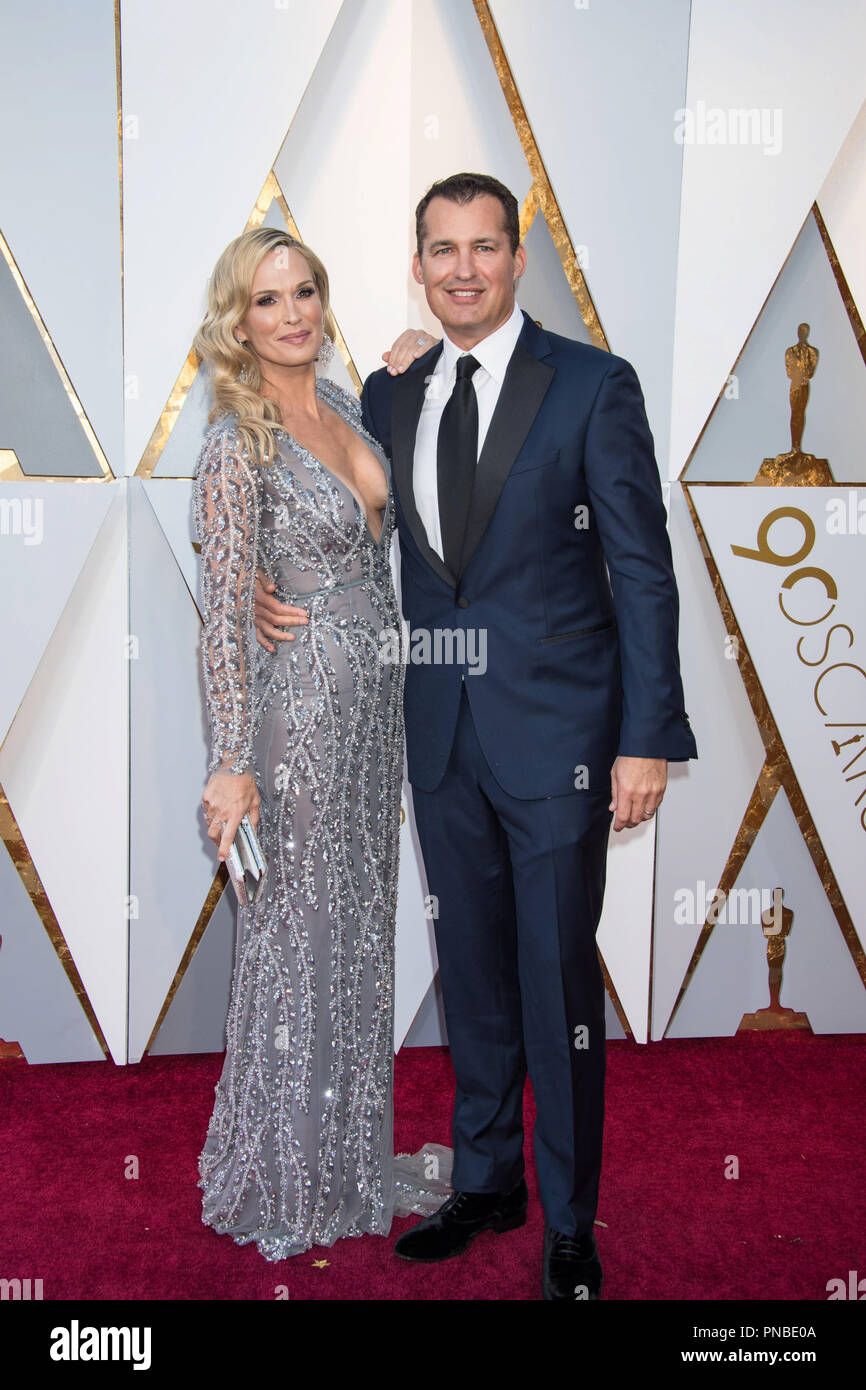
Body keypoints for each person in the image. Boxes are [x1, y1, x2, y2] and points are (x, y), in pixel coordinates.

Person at [252, 172, 697, 1298]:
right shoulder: (392, 391)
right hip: (438, 726)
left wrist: (646, 736)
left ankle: (567, 1222)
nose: (461, 268)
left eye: (483, 248)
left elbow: (641, 570)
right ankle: (488, 1179)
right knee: (476, 981)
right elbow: (337, 514)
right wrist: (265, 580)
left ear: (516, 259)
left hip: (563, 740)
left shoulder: (593, 386)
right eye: (440, 249)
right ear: (416, 263)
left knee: (556, 987)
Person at [193, 226, 441, 1261]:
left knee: (353, 934)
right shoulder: (231, 446)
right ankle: (288, 1170)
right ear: (235, 323)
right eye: (266, 300)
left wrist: (420, 359)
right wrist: (230, 762)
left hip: (372, 713)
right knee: (297, 941)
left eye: (305, 291)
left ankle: (345, 1156)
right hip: (296, 725)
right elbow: (220, 616)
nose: (292, 313)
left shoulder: (344, 405)